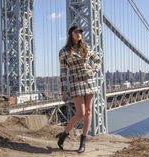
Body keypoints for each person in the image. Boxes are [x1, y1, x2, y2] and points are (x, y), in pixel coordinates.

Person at [56, 25, 101, 153]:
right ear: (71, 34)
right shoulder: (64, 52)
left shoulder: (85, 48)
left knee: (88, 112)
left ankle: (83, 142)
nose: (79, 34)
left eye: (80, 32)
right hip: (75, 82)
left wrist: (94, 69)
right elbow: (63, 72)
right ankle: (64, 135)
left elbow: (98, 60)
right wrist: (63, 91)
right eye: (76, 32)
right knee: (80, 113)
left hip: (89, 81)